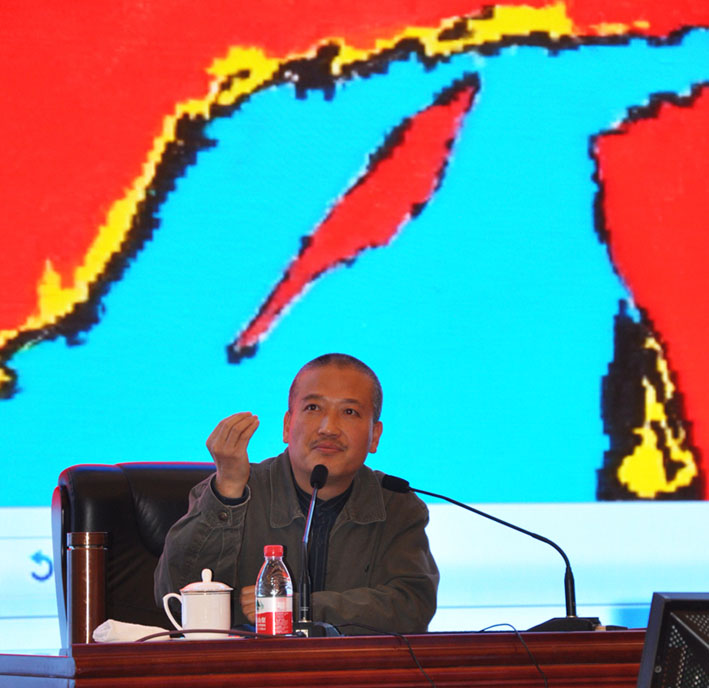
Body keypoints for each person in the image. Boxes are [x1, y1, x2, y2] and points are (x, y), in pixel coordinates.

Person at [154, 353, 439, 634]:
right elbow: (176, 599)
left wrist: (302, 607)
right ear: (287, 426)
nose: (329, 428)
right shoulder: (235, 490)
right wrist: (227, 493)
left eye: (349, 412)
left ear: (374, 436)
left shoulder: (396, 505)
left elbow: (412, 605)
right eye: (313, 408)